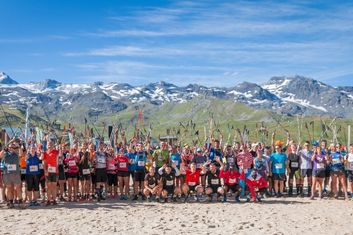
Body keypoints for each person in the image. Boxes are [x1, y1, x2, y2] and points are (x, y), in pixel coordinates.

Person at [0, 141, 23, 208]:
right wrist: (5, 147)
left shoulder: (16, 153)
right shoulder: (5, 153)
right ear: (8, 147)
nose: (12, 147)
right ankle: (10, 202)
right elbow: (0, 155)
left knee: (18, 188)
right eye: (11, 147)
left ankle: (20, 201)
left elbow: (21, 154)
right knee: (9, 188)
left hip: (16, 173)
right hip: (7, 173)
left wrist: (18, 146)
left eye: (13, 146)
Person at [42, 140, 60, 205]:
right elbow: (44, 163)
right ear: (46, 145)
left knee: (54, 186)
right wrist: (45, 170)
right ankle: (48, 200)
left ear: (53, 145)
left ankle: (54, 200)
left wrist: (57, 168)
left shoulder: (56, 152)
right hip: (48, 172)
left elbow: (58, 161)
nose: (49, 145)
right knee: (48, 186)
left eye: (51, 144)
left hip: (55, 171)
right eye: (48, 144)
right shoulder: (45, 153)